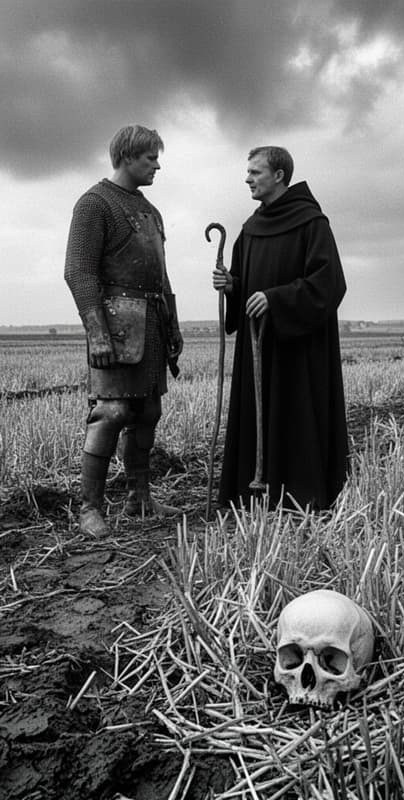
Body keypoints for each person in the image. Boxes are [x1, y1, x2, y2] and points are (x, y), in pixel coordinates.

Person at [213, 146, 348, 511]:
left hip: (298, 351)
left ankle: (299, 493)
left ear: (278, 175)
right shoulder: (251, 229)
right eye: (248, 172)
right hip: (259, 347)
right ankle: (254, 491)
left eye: (255, 172)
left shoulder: (312, 223)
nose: (248, 179)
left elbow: (330, 283)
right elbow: (245, 281)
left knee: (296, 415)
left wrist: (277, 300)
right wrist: (233, 286)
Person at [65, 124, 183, 537]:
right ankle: (89, 508)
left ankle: (140, 498)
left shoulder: (151, 211)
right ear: (128, 156)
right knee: (111, 412)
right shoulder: (94, 204)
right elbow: (79, 272)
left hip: (150, 323)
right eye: (151, 157)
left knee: (148, 411)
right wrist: (97, 332)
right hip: (115, 324)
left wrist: (173, 324)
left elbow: (161, 276)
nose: (157, 165)